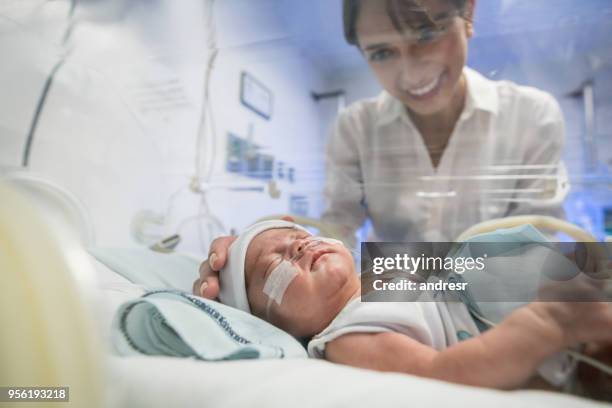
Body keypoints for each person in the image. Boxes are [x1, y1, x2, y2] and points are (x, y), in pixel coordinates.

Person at [195, 0, 568, 297]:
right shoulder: (355, 129)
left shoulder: (532, 116)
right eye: (382, 53)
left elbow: (534, 251)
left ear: (468, 12)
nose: (412, 73)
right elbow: (336, 230)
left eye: (426, 32)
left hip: (493, 311)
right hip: (393, 306)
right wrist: (252, 262)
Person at [214, 220, 612, 395]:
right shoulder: (347, 337)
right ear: (273, 323)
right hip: (540, 345)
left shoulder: (379, 278)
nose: (299, 245)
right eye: (274, 265)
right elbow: (442, 374)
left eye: (300, 235)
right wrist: (549, 323)